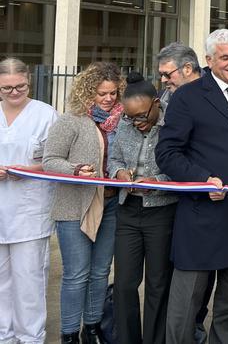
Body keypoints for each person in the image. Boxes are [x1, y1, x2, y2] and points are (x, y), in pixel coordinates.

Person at [156, 28, 228, 343]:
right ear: (208, 59)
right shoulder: (187, 96)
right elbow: (167, 153)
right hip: (202, 213)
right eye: (225, 57)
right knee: (187, 300)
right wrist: (202, 181)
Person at [43, 62, 124, 344]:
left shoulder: (121, 121)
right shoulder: (71, 120)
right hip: (74, 207)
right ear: (88, 92)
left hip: (111, 205)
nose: (109, 99)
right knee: (77, 274)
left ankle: (92, 329)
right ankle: (68, 335)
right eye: (102, 93)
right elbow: (50, 159)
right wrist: (75, 169)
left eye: (113, 93)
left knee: (101, 271)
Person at [108, 72, 177, 344]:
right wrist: (118, 173)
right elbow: (113, 158)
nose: (137, 123)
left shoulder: (174, 123)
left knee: (158, 286)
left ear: (157, 103)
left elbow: (183, 166)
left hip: (162, 212)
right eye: (130, 117)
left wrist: (157, 182)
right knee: (124, 284)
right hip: (128, 210)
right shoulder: (125, 123)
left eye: (142, 117)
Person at [0, 58, 58, 344]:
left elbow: (56, 159)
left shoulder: (46, 115)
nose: (14, 92)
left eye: (19, 86)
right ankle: (4, 336)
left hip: (30, 211)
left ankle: (30, 337)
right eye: (7, 88)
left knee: (29, 281)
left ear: (29, 82)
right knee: (0, 282)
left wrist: (24, 170)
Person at [155, 41, 210, 342]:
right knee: (180, 276)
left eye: (167, 74)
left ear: (187, 68)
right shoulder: (166, 98)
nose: (164, 80)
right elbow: (167, 149)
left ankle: (195, 327)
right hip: (176, 196)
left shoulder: (211, 94)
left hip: (207, 196)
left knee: (203, 277)